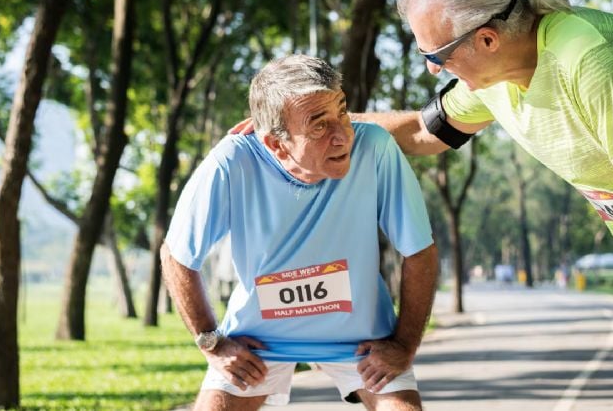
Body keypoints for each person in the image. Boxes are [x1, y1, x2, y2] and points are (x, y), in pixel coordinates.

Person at [352, 0, 613, 410]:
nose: (431, 69)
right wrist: (317, 125)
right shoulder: (493, 77)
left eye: (437, 56)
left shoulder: (591, 58)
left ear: (486, 39)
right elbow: (423, 132)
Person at [161, 55, 438, 411]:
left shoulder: (375, 147)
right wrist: (212, 342)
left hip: (362, 343)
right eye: (319, 126)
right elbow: (177, 255)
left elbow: (419, 251)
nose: (342, 136)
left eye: (343, 112)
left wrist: (405, 345)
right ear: (276, 144)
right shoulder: (232, 161)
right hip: (259, 345)